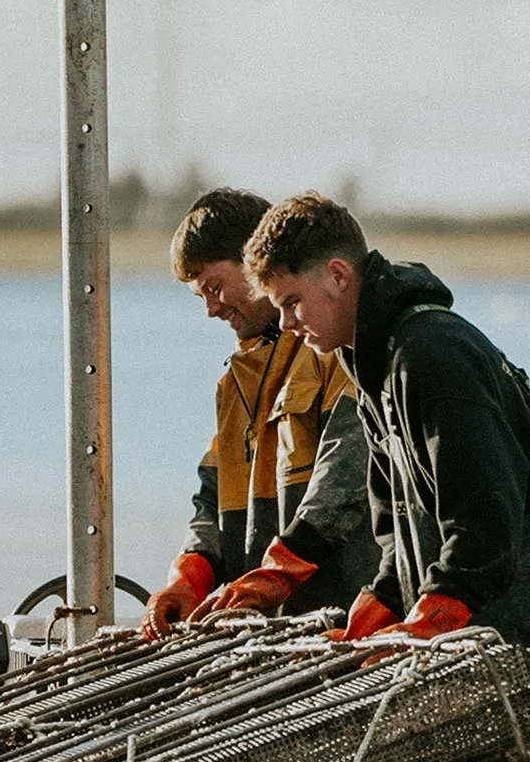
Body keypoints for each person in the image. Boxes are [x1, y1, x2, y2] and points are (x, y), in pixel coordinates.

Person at [243, 192, 530, 694]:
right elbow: (397, 523)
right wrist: (381, 605)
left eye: (291, 303)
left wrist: (433, 616)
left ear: (337, 275)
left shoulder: (431, 354)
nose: (287, 325)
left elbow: (484, 519)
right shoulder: (373, 364)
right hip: (486, 623)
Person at [141, 188, 380, 639]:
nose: (212, 309)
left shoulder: (334, 350)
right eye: (201, 297)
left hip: (346, 621)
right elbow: (211, 498)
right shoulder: (233, 384)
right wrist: (188, 577)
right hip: (273, 635)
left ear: (255, 265)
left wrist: (279, 572)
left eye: (214, 287)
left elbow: (347, 473)